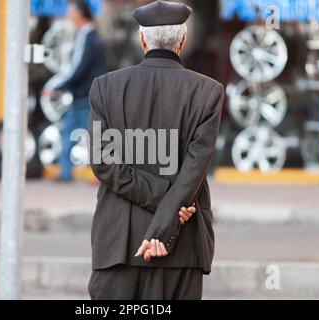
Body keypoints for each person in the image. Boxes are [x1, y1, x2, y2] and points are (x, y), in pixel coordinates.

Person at [87, 0, 224, 300]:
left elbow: (104, 164)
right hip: (182, 244)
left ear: (142, 40)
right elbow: (194, 170)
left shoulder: (104, 87)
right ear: (183, 41)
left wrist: (163, 208)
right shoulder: (208, 91)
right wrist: (169, 214)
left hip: (118, 245)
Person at [43, 0, 106, 182]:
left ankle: (101, 175)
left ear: (80, 13)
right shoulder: (85, 35)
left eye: (70, 11)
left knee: (96, 137)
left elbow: (77, 68)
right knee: (70, 132)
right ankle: (65, 173)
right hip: (82, 95)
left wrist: (56, 87)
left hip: (88, 96)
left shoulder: (88, 36)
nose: (68, 15)